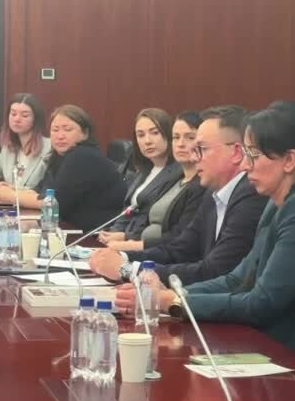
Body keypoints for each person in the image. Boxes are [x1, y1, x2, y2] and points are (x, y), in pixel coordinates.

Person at [110, 101, 295, 381]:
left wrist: (173, 301)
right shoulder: (279, 203)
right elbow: (238, 279)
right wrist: (174, 295)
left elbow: (262, 303)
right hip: (291, 355)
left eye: (254, 155)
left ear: (289, 160)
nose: (245, 165)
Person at [88, 105, 267, 286]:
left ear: (236, 152)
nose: (194, 157)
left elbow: (215, 271)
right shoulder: (213, 193)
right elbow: (180, 249)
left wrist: (129, 270)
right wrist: (122, 256)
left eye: (201, 149)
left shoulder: (251, 196)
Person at [0, 105, 126, 232]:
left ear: (85, 133)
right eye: (55, 130)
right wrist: (15, 189)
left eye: (67, 130)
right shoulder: (59, 156)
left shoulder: (83, 156)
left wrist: (11, 196)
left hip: (96, 236)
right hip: (70, 228)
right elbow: (41, 191)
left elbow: (54, 204)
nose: (60, 136)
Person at [107, 110, 206, 251]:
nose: (180, 144)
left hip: (155, 253)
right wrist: (117, 236)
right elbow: (134, 214)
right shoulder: (169, 178)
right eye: (176, 137)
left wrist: (129, 244)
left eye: (190, 137)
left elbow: (180, 237)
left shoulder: (198, 183)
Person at [99, 108, 181, 242]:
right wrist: (113, 233)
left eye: (155, 133)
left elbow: (153, 219)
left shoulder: (178, 172)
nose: (147, 141)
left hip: (145, 245)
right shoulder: (143, 171)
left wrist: (125, 237)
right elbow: (128, 211)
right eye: (140, 135)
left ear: (169, 134)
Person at [0, 93, 51, 192]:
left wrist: (11, 188)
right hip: (9, 202)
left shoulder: (49, 148)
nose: (17, 119)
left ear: (36, 119)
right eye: (13, 114)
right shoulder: (8, 149)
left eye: (24, 115)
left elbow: (47, 190)